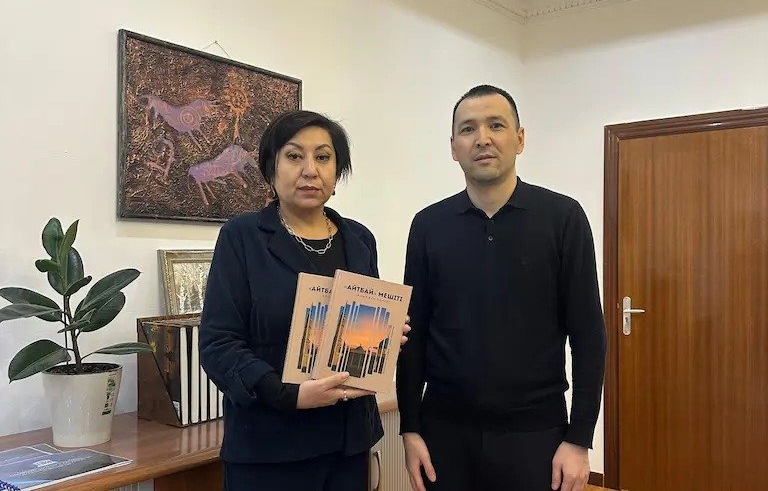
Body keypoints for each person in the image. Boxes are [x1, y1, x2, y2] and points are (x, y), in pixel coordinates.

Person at [396, 85, 607, 491]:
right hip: (444, 434)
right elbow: (413, 332)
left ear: (520, 139)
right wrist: (410, 427)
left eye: (496, 125)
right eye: (468, 129)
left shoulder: (562, 218)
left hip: (536, 434)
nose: (482, 138)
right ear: (453, 147)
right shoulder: (428, 225)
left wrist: (579, 437)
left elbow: (588, 335)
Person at [200, 110, 409, 491]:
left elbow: (355, 333)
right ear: (271, 168)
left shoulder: (359, 239)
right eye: (295, 156)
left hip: (348, 445)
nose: (310, 170)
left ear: (337, 171)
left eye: (323, 157)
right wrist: (288, 394)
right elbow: (219, 345)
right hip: (270, 448)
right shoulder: (242, 237)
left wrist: (386, 334)